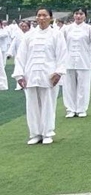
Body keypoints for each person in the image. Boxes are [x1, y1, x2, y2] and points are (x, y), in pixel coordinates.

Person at [12, 8, 68, 145]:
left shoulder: (56, 34)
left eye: (44, 15)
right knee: (32, 105)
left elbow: (62, 54)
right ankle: (35, 133)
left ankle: (47, 132)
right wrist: (19, 75)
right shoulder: (29, 35)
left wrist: (59, 72)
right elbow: (21, 56)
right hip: (30, 73)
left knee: (48, 104)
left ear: (50, 18)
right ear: (36, 18)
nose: (41, 18)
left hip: (49, 74)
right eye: (39, 15)